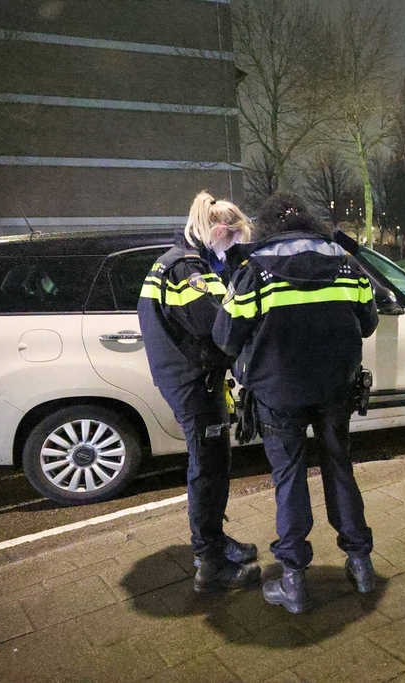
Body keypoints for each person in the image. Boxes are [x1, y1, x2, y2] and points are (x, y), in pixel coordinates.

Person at [213, 194, 379, 614]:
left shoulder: (255, 271)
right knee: (339, 466)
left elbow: (226, 337)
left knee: (289, 478)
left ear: (267, 227)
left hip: (276, 395)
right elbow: (369, 323)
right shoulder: (346, 263)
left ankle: (294, 583)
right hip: (335, 391)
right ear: (311, 224)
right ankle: (361, 566)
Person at [138, 191, 260, 593]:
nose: (236, 252)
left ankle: (215, 541)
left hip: (193, 379)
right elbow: (216, 328)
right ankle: (209, 564)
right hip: (194, 383)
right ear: (221, 232)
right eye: (235, 243)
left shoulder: (184, 261)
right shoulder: (186, 269)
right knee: (207, 468)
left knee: (215, 463)